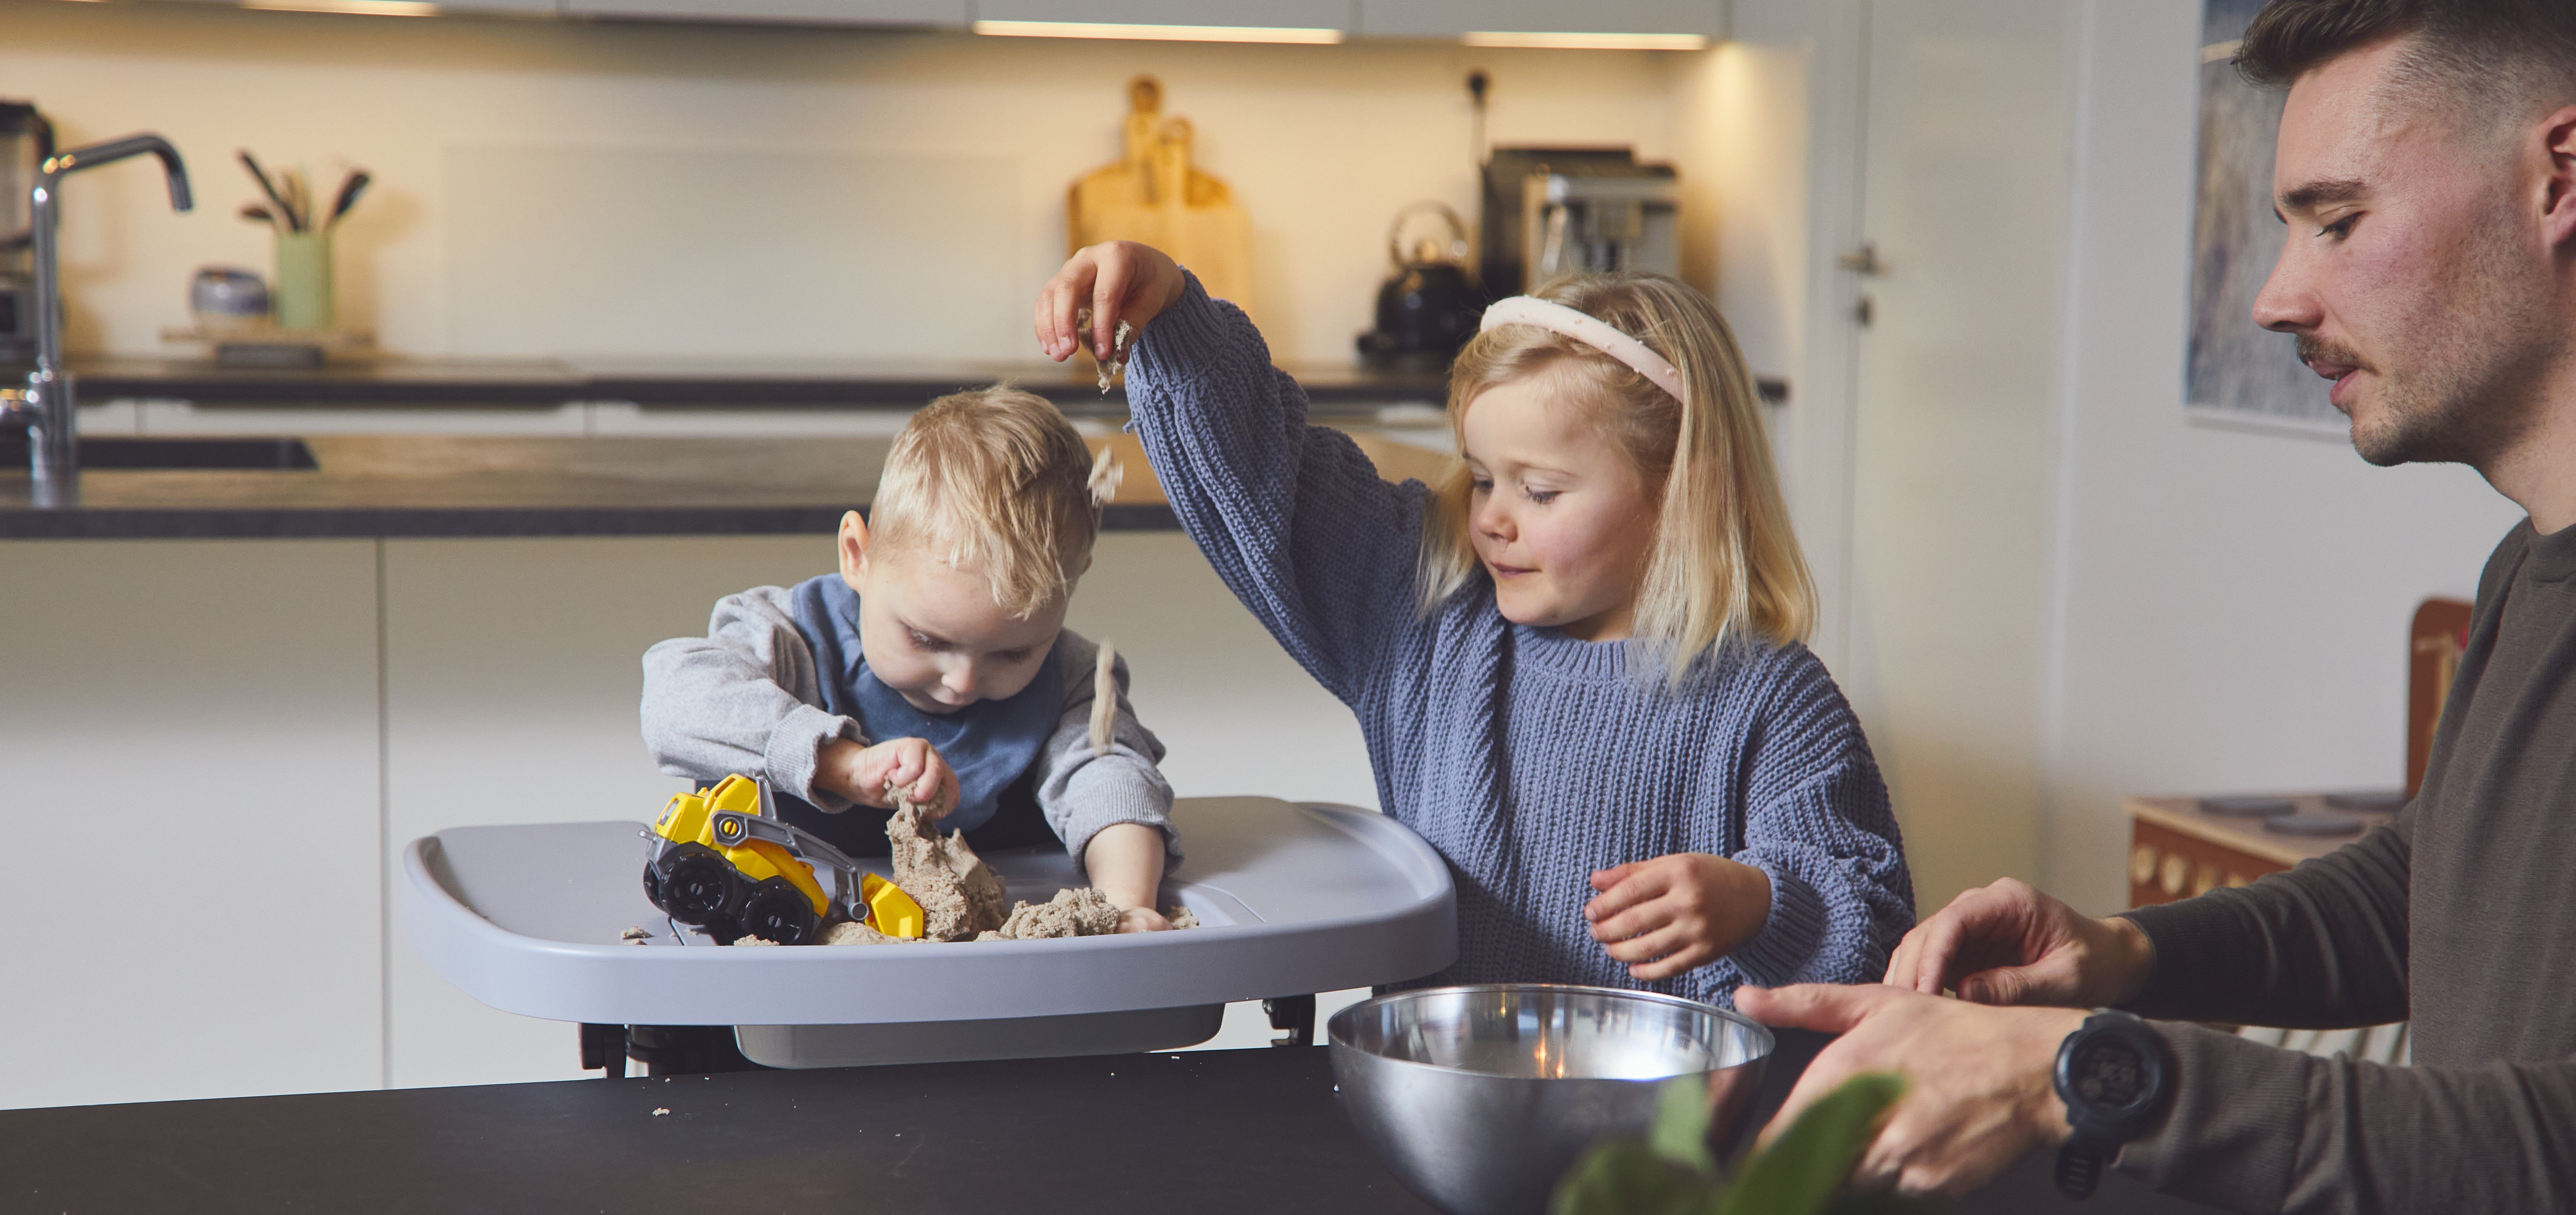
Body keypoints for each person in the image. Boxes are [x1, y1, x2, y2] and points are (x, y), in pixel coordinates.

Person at [1735, 0, 2576, 1208]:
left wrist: (2089, 1076)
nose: (2276, 299)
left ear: (2558, 177)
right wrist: (2128, 956)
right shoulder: (2525, 568)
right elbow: (2428, 889)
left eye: (2339, 222)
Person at [1033, 243, 1913, 1004]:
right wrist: (1175, 315)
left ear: (1686, 490)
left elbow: (1872, 925)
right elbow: (1269, 473)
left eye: (1540, 491)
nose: (1493, 516)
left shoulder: (1773, 700)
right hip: (1445, 1107)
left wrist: (1756, 902)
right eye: (1484, 476)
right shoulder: (1431, 612)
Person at [641, 386, 1179, 932]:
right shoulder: (791, 639)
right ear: (859, 556)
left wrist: (1123, 904)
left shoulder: (1068, 682)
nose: (963, 680)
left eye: (1014, 651)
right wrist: (843, 764)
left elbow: (1112, 784)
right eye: (927, 639)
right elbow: (673, 702)